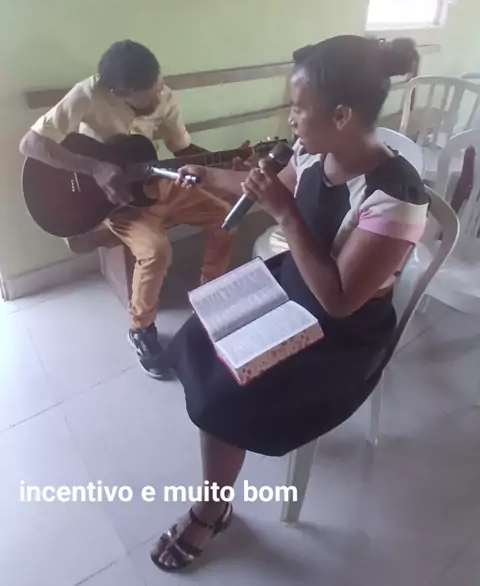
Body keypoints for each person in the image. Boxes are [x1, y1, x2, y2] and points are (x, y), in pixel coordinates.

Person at [150, 34, 429, 571]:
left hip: (340, 334)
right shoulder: (314, 151)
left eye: (299, 107)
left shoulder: (395, 198)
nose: (291, 117)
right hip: (294, 286)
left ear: (342, 115)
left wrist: (284, 213)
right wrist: (207, 174)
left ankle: (212, 508)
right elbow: (264, 186)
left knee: (222, 396)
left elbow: (340, 300)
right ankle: (219, 479)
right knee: (199, 340)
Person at [19, 40, 235, 379]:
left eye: (159, 83)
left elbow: (182, 148)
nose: (160, 93)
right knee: (157, 252)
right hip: (115, 201)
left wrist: (222, 166)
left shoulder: (163, 96)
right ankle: (141, 328)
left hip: (158, 183)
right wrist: (94, 168)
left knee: (227, 217)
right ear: (119, 92)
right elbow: (31, 144)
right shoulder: (88, 94)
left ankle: (209, 295)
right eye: (150, 92)